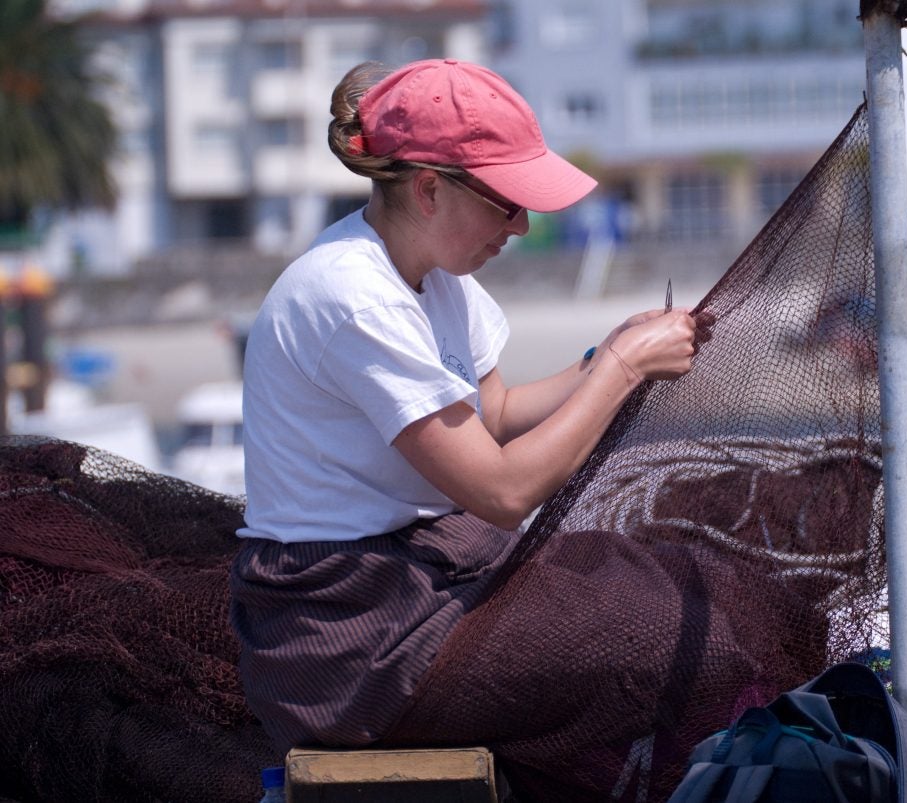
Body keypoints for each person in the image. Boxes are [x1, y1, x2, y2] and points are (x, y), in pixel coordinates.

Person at [228, 59, 704, 764]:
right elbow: (503, 491)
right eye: (507, 200)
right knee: (647, 634)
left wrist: (609, 351)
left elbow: (498, 411)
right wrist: (622, 369)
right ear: (428, 190)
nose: (520, 225)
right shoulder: (353, 296)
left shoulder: (439, 276)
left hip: (419, 575)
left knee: (653, 589)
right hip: (344, 628)